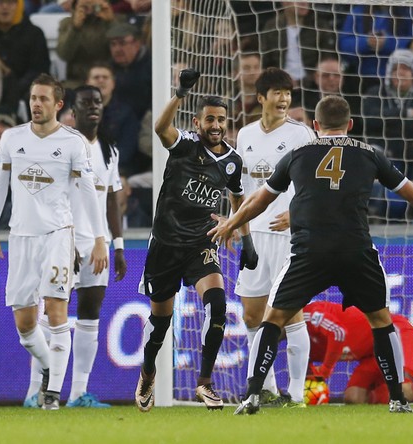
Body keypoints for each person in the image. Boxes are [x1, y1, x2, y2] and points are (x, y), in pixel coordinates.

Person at [209, 95, 413, 415]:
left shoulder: (297, 154)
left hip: (310, 251)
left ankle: (253, 395)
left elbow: (259, 200)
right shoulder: (370, 154)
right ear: (350, 125)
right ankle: (397, 399)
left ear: (315, 125)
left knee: (273, 319)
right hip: (356, 251)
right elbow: (412, 193)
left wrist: (232, 223)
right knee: (381, 320)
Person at [0, 73, 109, 411]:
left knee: (56, 309)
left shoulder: (72, 142)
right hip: (21, 236)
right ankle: (49, 369)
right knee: (25, 325)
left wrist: (99, 238)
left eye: (42, 99)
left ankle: (52, 394)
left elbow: (88, 193)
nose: (36, 104)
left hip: (58, 234)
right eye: (32, 98)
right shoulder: (12, 138)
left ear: (58, 104)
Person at [134, 69, 249, 413]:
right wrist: (181, 92)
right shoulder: (184, 146)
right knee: (160, 326)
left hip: (202, 244)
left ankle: (205, 383)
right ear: (197, 122)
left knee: (217, 306)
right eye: (210, 119)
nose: (216, 125)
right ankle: (148, 372)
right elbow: (160, 129)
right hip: (166, 246)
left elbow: (237, 198)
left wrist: (240, 232)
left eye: (221, 120)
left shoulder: (232, 161)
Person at [22, 85, 126, 408]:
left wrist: (116, 244)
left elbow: (110, 198)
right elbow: (55, 196)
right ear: (73, 110)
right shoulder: (63, 144)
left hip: (97, 243)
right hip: (63, 238)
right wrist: (65, 241)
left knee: (90, 313)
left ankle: (79, 392)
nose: (93, 107)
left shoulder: (110, 150)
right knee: (53, 313)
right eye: (86, 103)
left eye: (97, 102)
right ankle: (34, 392)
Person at [234, 67, 316, 408]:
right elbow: (240, 188)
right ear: (261, 97)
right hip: (256, 234)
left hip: (289, 237)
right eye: (278, 93)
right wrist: (241, 229)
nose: (284, 99)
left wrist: (297, 215)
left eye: (288, 94)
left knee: (289, 313)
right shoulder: (244, 135)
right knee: (252, 315)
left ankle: (297, 393)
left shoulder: (302, 136)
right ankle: (266, 389)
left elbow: (318, 186)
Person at [0, 0, 50, 102]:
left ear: (20, 5)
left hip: (25, 93)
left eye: (11, 2)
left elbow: (39, 71)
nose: (5, 6)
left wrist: (12, 90)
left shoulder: (34, 34)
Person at [55, 0, 115, 89]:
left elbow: (120, 53)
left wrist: (111, 23)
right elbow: (64, 55)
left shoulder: (110, 20)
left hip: (106, 77)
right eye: (84, 6)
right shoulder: (67, 23)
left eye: (93, 4)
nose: (89, 8)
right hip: (77, 80)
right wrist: (75, 28)